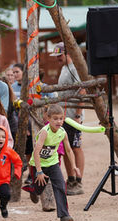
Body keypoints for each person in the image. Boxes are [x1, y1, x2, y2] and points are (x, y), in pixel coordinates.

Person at [22, 104, 80, 221]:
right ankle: (33, 190)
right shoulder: (44, 132)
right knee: (38, 188)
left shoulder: (62, 132)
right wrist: (39, 172)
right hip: (38, 165)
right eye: (55, 118)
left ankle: (64, 217)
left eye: (60, 118)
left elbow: (69, 150)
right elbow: (36, 152)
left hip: (53, 164)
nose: (58, 121)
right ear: (48, 119)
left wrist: (74, 166)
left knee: (60, 186)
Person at [50, 42, 85, 195]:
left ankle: (78, 181)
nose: (57, 58)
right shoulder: (64, 68)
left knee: (76, 148)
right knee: (65, 148)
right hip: (63, 118)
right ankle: (70, 178)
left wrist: (78, 115)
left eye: (59, 55)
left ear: (67, 53)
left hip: (73, 117)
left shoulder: (75, 68)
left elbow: (82, 91)